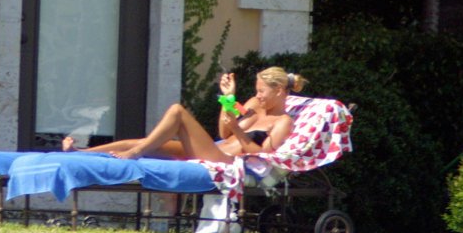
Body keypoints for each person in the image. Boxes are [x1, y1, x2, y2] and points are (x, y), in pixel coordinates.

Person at [61, 67, 307, 162]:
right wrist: (228, 98)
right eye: (257, 90)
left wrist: (239, 130)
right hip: (217, 147)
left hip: (229, 161)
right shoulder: (254, 104)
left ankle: (135, 155)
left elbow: (264, 156)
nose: (258, 95)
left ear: (280, 91)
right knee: (142, 143)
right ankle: (81, 154)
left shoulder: (283, 122)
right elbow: (223, 132)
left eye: (263, 91)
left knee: (177, 112)